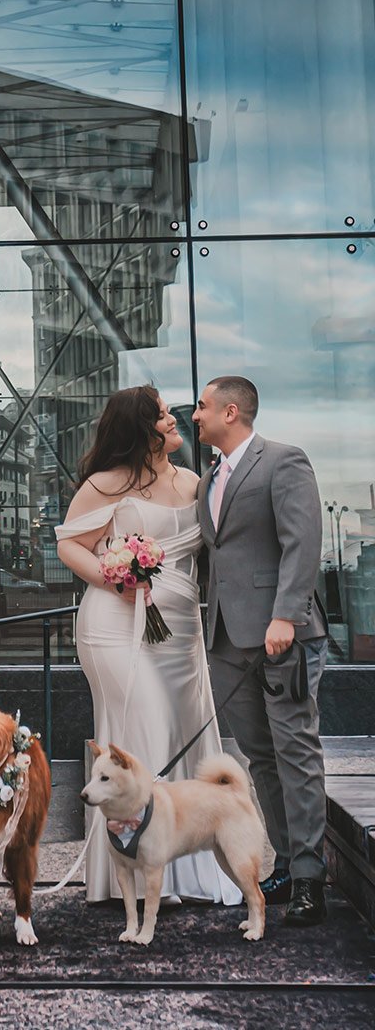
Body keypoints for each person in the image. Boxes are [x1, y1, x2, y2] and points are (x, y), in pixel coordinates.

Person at [54, 386, 241, 908]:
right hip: (114, 624)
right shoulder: (105, 484)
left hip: (180, 628)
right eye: (164, 417)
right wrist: (114, 577)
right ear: (143, 429)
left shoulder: (195, 483)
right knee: (145, 726)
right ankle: (132, 873)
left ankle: (186, 872)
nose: (176, 421)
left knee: (184, 729)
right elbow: (69, 542)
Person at [193, 375, 330, 926]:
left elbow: (303, 541)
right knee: (260, 756)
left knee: (295, 752)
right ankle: (284, 866)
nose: (195, 415)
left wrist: (285, 615)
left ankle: (310, 879)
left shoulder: (283, 461)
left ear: (231, 411)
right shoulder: (209, 478)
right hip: (226, 640)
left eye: (202, 406)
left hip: (282, 637)